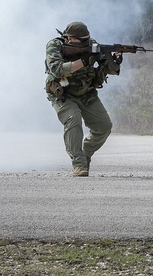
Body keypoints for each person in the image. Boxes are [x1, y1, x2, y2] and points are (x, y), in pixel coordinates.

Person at [44, 21, 122, 177]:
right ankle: (79, 164)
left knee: (104, 126)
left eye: (88, 39)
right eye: (83, 41)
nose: (87, 42)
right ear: (70, 38)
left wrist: (114, 61)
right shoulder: (55, 46)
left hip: (86, 92)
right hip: (63, 94)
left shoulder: (92, 45)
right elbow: (57, 69)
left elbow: (107, 69)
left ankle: (85, 153)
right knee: (73, 120)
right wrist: (85, 61)